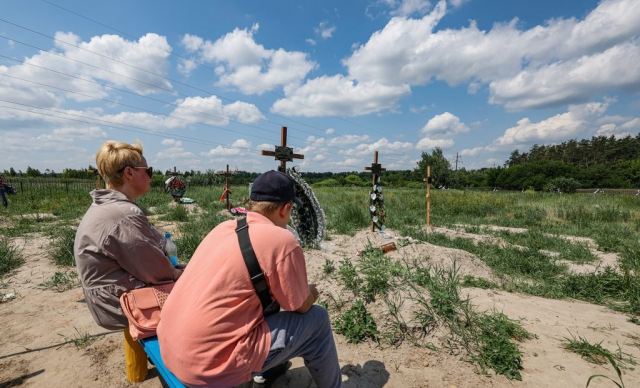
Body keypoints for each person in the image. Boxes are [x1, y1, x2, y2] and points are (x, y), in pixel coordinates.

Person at [158, 170, 342, 388]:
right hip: (206, 367)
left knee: (261, 304)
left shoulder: (224, 228)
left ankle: (267, 371)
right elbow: (298, 306)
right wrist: (310, 292)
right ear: (286, 209)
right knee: (318, 319)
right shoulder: (283, 240)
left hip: (170, 347)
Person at [74, 140, 183, 381]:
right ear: (130, 173)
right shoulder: (124, 214)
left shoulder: (112, 207)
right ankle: (186, 367)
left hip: (109, 291)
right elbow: (155, 271)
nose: (152, 177)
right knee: (198, 295)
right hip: (115, 300)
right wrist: (182, 274)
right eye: (149, 171)